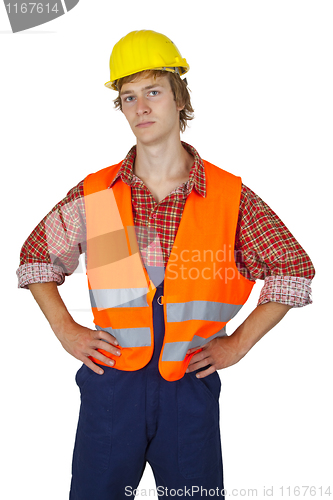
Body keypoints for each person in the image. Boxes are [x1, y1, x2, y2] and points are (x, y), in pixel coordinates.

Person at [17, 30, 315, 499]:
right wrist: (65, 329)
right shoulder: (96, 193)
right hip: (112, 386)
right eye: (128, 97)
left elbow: (293, 270)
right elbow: (36, 257)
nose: (141, 107)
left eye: (153, 91)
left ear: (180, 99)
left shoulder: (226, 196)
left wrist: (236, 345)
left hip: (189, 389)